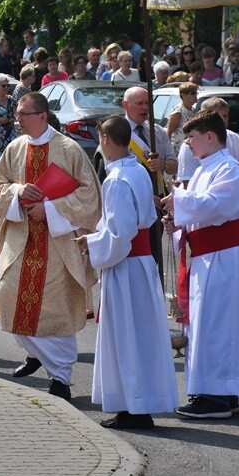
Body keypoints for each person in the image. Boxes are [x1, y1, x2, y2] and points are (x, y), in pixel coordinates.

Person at [160, 109, 239, 419]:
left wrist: (179, 201)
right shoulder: (205, 168)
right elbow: (202, 212)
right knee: (209, 324)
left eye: (192, 137)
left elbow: (217, 206)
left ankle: (216, 397)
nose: (188, 143)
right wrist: (179, 222)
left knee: (218, 325)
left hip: (225, 257)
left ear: (210, 136)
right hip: (210, 256)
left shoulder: (229, 169)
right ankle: (219, 393)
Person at [0, 92, 101, 399]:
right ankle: (36, 353)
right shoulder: (15, 148)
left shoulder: (68, 149)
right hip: (22, 241)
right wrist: (17, 191)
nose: (17, 120)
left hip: (57, 246)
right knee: (8, 297)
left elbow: (89, 196)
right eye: (16, 114)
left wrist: (50, 209)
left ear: (42, 116)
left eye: (23, 114)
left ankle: (61, 378)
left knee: (56, 311)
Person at [78, 115, 178, 429]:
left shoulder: (117, 180)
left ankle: (133, 408)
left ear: (105, 140)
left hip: (126, 267)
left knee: (126, 337)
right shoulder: (139, 171)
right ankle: (139, 403)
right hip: (142, 264)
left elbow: (120, 235)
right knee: (142, 336)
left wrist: (91, 242)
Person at [122, 86, 177, 277]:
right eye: (139, 103)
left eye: (147, 103)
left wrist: (163, 164)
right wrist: (143, 197)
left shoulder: (158, 131)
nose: (145, 108)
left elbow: (174, 165)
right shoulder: (118, 132)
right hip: (131, 205)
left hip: (157, 203)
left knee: (153, 256)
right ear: (125, 105)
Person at [165, 82, 199, 157]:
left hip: (191, 150)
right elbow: (168, 133)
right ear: (183, 95)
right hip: (178, 152)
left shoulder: (193, 110)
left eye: (196, 93)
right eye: (193, 93)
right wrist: (169, 153)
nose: (195, 95)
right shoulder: (178, 112)